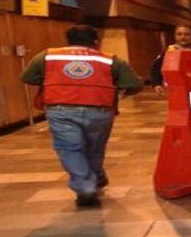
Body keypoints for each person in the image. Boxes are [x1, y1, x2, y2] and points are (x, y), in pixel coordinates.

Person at [20, 25, 143, 207]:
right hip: (100, 111)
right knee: (94, 148)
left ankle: (86, 187)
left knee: (70, 148)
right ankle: (95, 177)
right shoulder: (110, 60)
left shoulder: (48, 55)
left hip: (61, 110)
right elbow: (134, 84)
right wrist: (119, 90)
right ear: (96, 41)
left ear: (68, 40)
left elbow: (28, 77)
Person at [150, 25, 191, 95]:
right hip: (177, 90)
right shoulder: (169, 50)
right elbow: (156, 68)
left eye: (187, 34)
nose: (182, 37)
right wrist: (156, 84)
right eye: (179, 34)